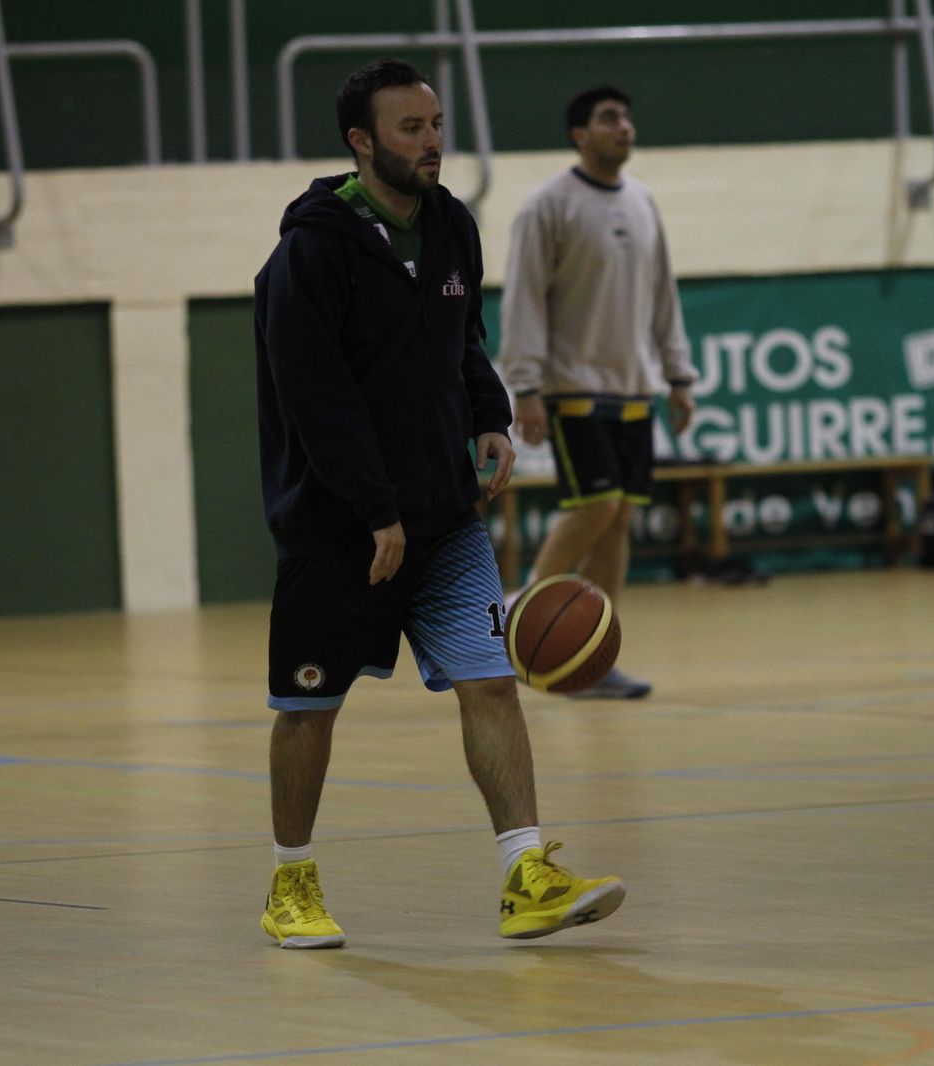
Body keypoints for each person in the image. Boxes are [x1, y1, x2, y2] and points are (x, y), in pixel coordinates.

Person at [251, 59, 625, 949]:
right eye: (411, 128)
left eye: (437, 124)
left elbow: (463, 340)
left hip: (445, 519)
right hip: (338, 527)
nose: (431, 142)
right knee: (308, 708)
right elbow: (315, 397)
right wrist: (374, 507)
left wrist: (489, 416)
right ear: (361, 140)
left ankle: (525, 874)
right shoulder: (310, 251)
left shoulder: (452, 223)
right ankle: (290, 882)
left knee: (491, 682)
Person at [499, 85, 698, 701]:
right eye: (610, 118)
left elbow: (663, 295)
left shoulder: (642, 201)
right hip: (573, 388)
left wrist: (679, 376)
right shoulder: (547, 205)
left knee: (618, 522)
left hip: (634, 389)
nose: (624, 126)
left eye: (627, 117)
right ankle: (520, 616)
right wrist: (525, 385)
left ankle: (594, 658)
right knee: (597, 505)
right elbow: (524, 297)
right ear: (579, 135)